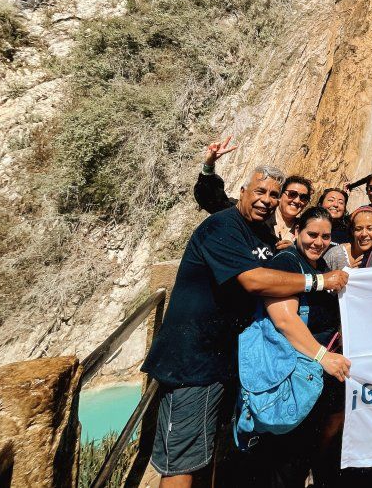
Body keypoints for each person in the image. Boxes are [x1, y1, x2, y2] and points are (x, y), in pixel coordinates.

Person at [142, 168, 349, 488]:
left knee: (206, 451)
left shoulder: (260, 236)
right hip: (193, 359)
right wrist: (320, 280)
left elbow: (269, 266)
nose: (267, 200)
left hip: (225, 359)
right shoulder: (222, 226)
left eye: (273, 195)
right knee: (181, 458)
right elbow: (254, 281)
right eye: (260, 191)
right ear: (242, 191)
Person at [262, 206, 351, 488]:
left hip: (317, 371)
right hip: (298, 372)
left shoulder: (319, 266)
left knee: (307, 450)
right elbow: (285, 320)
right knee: (291, 457)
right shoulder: (287, 262)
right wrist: (324, 356)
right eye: (312, 234)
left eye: (325, 237)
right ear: (297, 231)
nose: (318, 242)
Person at [193, 136, 239, 213]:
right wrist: (209, 163)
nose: (265, 199)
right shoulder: (235, 212)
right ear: (243, 191)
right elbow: (208, 198)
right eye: (260, 191)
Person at [274, 176, 312, 250]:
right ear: (280, 195)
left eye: (303, 197)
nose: (297, 201)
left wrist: (293, 250)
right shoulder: (263, 217)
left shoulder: (304, 229)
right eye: (292, 194)